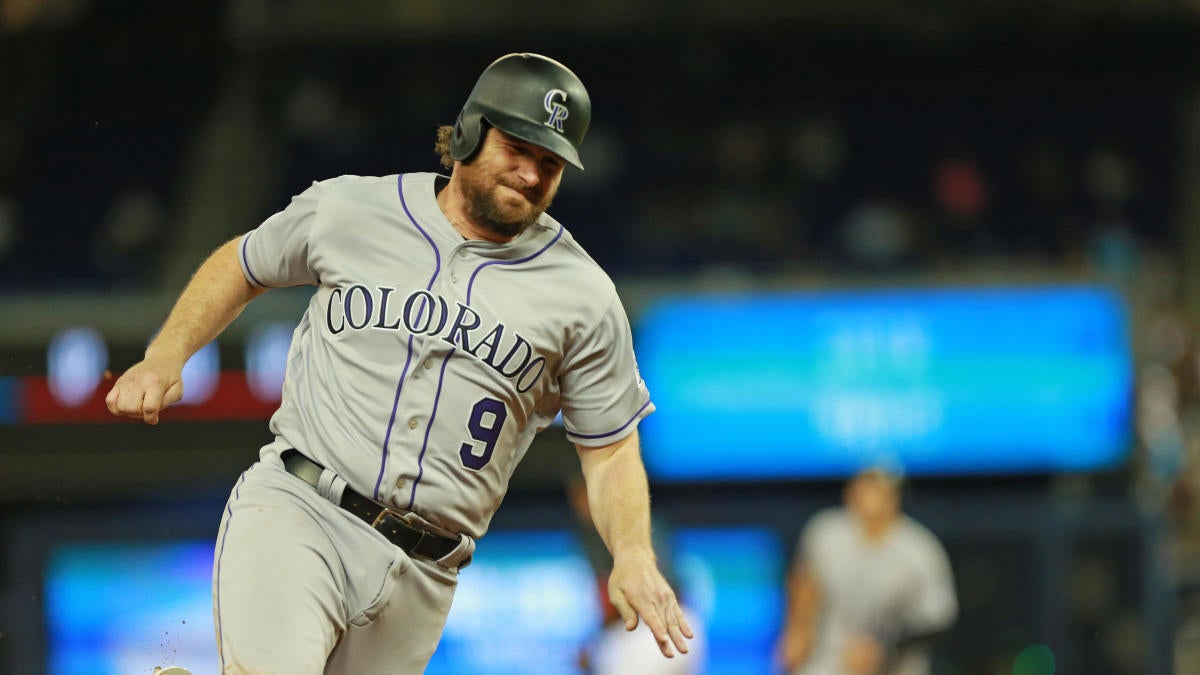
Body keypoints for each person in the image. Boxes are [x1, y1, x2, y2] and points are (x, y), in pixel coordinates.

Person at [106, 52, 692, 674]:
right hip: (303, 509)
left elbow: (608, 448)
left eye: (549, 163)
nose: (529, 173)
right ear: (469, 131)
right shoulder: (351, 210)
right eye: (516, 148)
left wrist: (633, 554)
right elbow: (243, 264)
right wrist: (165, 355)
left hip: (426, 572)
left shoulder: (584, 295)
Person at [776, 467, 957, 675]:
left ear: (894, 497)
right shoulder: (828, 532)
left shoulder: (919, 549)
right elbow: (807, 583)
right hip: (831, 656)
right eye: (864, 486)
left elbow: (939, 619)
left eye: (878, 489)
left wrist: (888, 648)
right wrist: (796, 631)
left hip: (894, 665)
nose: (869, 496)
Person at [564, 471, 706, 675]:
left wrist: (598, 649)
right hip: (640, 635)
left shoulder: (635, 527)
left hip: (662, 631)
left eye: (587, 492)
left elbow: (653, 595)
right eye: (577, 495)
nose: (581, 502)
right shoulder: (591, 537)